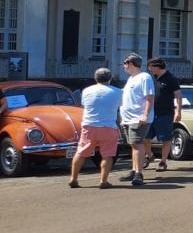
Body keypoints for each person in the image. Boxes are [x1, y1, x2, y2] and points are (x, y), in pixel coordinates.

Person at [68, 67, 121, 189]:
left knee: (81, 152)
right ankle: (103, 180)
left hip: (89, 125)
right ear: (110, 78)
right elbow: (120, 106)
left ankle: (73, 178)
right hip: (108, 126)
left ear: (95, 78)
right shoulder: (118, 92)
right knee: (107, 155)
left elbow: (83, 104)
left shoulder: (86, 91)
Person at [119, 53, 155, 187]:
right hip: (128, 119)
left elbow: (150, 97)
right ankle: (134, 170)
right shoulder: (131, 78)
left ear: (131, 63)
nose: (124, 65)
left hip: (138, 118)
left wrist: (145, 115)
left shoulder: (144, 77)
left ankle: (139, 173)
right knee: (133, 145)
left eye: (125, 62)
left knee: (137, 144)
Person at [143, 58, 182, 172]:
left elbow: (178, 96)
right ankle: (149, 155)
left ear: (157, 67)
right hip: (150, 113)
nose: (149, 69)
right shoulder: (151, 78)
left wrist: (178, 111)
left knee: (166, 138)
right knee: (145, 136)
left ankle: (163, 162)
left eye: (150, 67)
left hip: (165, 113)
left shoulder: (171, 78)